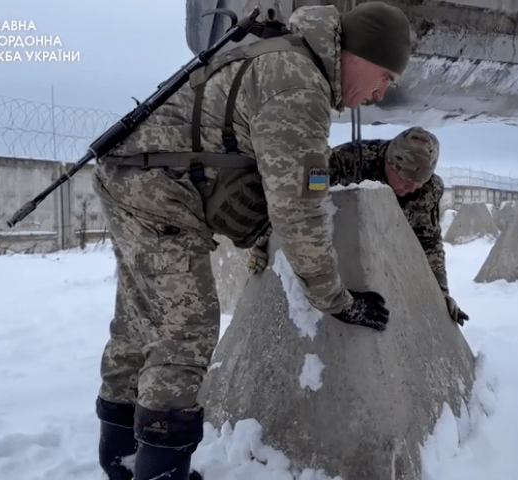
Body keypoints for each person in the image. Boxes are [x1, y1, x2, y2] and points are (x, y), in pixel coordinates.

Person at [92, 3, 411, 480]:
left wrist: (258, 243)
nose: (382, 92)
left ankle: (121, 459)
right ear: (357, 54)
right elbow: (300, 210)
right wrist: (336, 300)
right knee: (187, 329)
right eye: (383, 75)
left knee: (140, 322)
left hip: (135, 174)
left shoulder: (289, 60)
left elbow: (265, 179)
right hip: (158, 191)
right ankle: (159, 472)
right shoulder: (300, 85)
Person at [248, 126, 470, 326]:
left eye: (417, 184)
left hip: (388, 271)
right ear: (390, 163)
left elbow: (429, 241)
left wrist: (440, 294)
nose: (410, 189)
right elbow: (294, 195)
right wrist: (259, 244)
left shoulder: (429, 190)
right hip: (329, 265)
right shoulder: (347, 161)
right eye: (405, 180)